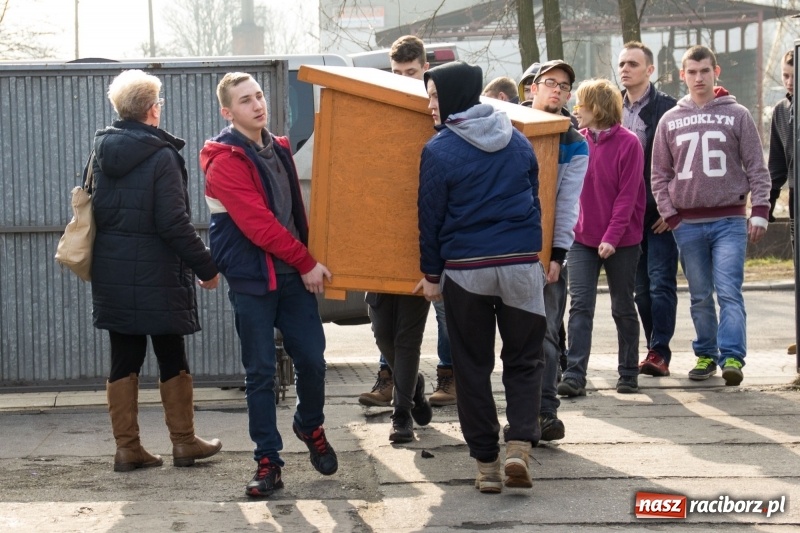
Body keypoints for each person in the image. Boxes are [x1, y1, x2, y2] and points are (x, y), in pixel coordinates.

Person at [200, 72, 338, 498]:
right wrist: (307, 260)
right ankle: (268, 462)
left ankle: (308, 425)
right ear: (228, 112)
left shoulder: (278, 148)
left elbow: (293, 213)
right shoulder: (223, 161)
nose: (257, 105)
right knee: (260, 374)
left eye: (259, 96)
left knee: (313, 362)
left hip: (292, 278)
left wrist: (312, 254)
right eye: (245, 100)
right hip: (253, 280)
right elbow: (260, 226)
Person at [416, 61, 546, 493]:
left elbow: (430, 219)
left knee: (472, 367)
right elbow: (535, 202)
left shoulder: (438, 150)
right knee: (525, 360)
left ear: (454, 96)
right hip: (521, 266)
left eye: (435, 96)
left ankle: (487, 464)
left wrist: (432, 274)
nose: (431, 106)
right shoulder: (519, 142)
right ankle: (520, 447)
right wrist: (534, 255)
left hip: (467, 272)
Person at [90, 69, 222, 472]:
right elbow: (173, 223)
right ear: (152, 110)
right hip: (159, 273)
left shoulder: (101, 151)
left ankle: (127, 449)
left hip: (111, 271)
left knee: (124, 355)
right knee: (170, 352)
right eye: (158, 102)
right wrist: (207, 265)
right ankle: (184, 443)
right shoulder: (161, 155)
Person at [651, 45, 771, 386]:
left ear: (715, 72)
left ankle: (732, 355)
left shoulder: (738, 114)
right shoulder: (670, 119)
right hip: (687, 224)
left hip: (729, 221)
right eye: (692, 71)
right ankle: (706, 352)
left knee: (729, 289)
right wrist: (671, 215)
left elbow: (756, 167)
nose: (698, 77)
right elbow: (659, 174)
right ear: (682, 75)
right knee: (700, 293)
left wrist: (759, 209)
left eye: (705, 70)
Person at [358, 35, 446, 446]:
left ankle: (402, 416)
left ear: (424, 67)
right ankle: (414, 386)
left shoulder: (437, 111)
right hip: (378, 241)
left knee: (408, 337)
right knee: (382, 334)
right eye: (397, 73)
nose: (404, 80)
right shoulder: (379, 110)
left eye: (411, 73)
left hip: (417, 245)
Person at [558, 78, 645, 397]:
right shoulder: (578, 141)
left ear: (597, 108)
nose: (576, 109)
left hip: (622, 240)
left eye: (581, 103)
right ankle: (575, 375)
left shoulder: (629, 143)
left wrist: (611, 237)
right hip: (582, 238)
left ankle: (628, 372)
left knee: (623, 305)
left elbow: (627, 196)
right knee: (580, 305)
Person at [526, 60, 588, 441]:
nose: (557, 91)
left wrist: (557, 254)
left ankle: (546, 411)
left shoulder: (574, 141)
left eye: (564, 87)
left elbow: (568, 203)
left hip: (548, 252)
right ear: (533, 88)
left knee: (546, 332)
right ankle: (514, 411)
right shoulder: (510, 125)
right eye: (550, 83)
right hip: (500, 249)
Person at [618, 41, 679, 377]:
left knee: (660, 284)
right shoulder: (611, 107)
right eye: (622, 63)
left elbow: (680, 163)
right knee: (640, 290)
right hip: (627, 215)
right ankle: (652, 347)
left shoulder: (668, 109)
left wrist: (672, 209)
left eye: (633, 64)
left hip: (658, 215)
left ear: (650, 70)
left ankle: (659, 351)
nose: (625, 69)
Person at [767, 50, 795, 355]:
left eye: (792, 75)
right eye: (785, 75)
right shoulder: (780, 111)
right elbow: (776, 166)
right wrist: (768, 204)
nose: (788, 81)